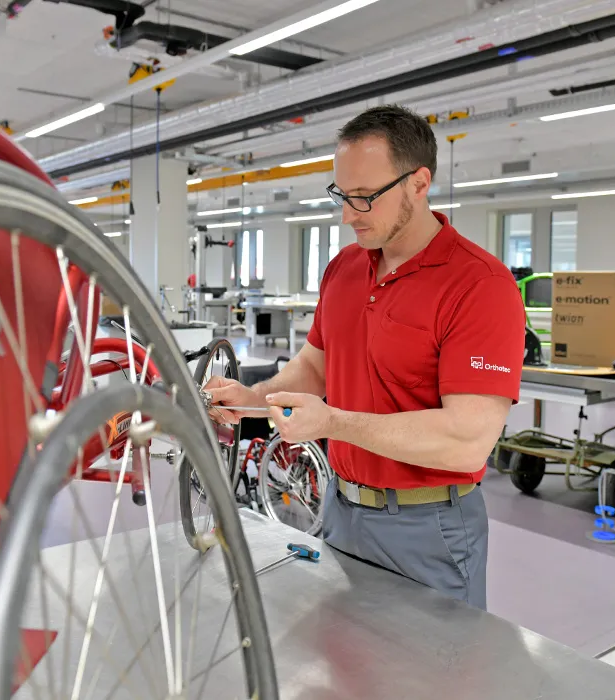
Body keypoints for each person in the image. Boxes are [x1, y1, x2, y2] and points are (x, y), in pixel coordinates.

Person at [205, 104, 525, 610]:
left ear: (419, 184)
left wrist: (331, 423)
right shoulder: (345, 269)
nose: (347, 215)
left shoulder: (480, 286)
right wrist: (251, 400)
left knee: (431, 677)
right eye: (341, 195)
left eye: (364, 198)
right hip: (341, 508)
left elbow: (468, 442)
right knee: (350, 665)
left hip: (428, 527)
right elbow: (314, 367)